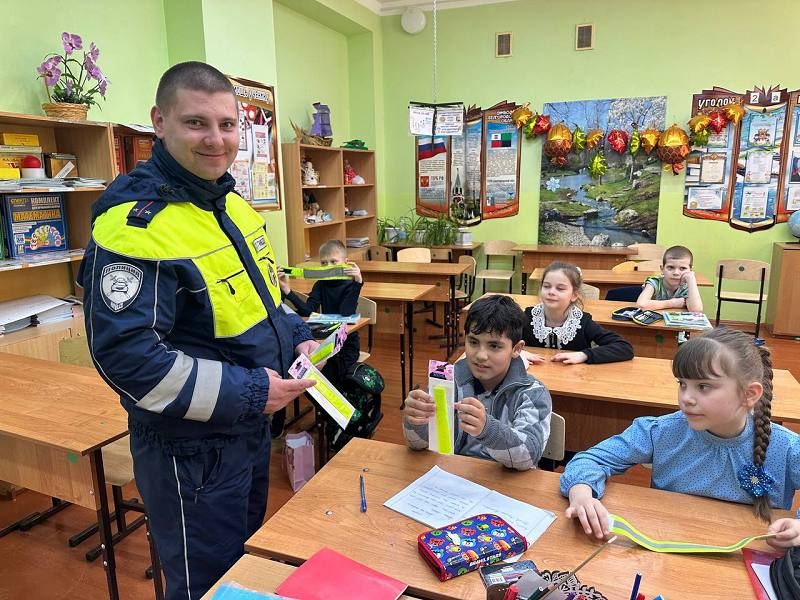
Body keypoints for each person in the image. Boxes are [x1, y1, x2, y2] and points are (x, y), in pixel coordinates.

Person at [77, 61, 318, 600]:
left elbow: (264, 299)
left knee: (243, 578)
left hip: (247, 432)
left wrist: (297, 331)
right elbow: (130, 361)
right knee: (204, 587)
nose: (217, 140)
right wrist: (256, 391)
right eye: (196, 123)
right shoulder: (134, 226)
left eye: (228, 125)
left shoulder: (231, 206)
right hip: (190, 454)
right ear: (159, 122)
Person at [560, 328, 800, 549]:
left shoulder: (786, 448)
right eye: (683, 384)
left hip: (750, 561)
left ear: (750, 394)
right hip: (667, 552)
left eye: (703, 387)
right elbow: (591, 459)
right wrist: (581, 493)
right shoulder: (661, 431)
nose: (686, 398)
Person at [402, 295, 552, 470]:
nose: (481, 355)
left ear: (517, 349)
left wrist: (487, 429)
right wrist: (415, 421)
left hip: (507, 485)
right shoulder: (447, 379)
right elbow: (417, 444)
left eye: (494, 346)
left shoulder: (533, 393)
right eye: (473, 342)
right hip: (454, 478)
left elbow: (529, 455)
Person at [280, 239, 363, 387]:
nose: (328, 267)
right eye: (324, 263)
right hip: (326, 341)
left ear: (346, 262)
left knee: (333, 376)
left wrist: (357, 283)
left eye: (334, 262)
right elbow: (309, 310)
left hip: (347, 344)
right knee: (311, 369)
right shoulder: (320, 284)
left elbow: (346, 312)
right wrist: (287, 291)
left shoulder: (350, 284)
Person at [522, 262, 634, 364]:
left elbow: (624, 347)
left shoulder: (582, 322)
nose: (551, 292)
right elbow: (505, 342)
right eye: (546, 286)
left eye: (560, 288)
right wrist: (519, 353)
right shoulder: (527, 317)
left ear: (574, 295)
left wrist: (584, 355)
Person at [637, 245, 703, 312]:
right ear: (662, 269)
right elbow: (641, 305)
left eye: (683, 268)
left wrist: (691, 279)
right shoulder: (655, 282)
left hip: (676, 322)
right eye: (671, 267)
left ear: (690, 270)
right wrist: (673, 303)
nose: (676, 273)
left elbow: (696, 310)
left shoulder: (688, 286)